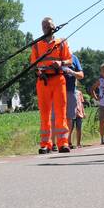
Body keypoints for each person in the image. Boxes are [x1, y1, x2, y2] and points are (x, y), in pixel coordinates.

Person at [30, 17, 72, 154]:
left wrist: (61, 63)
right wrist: (38, 72)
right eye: (44, 26)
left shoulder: (62, 42)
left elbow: (69, 60)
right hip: (43, 81)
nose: (46, 28)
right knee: (44, 113)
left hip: (58, 79)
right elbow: (33, 64)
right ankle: (45, 144)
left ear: (54, 26)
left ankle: (63, 143)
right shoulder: (36, 44)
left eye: (48, 25)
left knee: (61, 112)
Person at [57, 52, 84, 150]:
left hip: (70, 91)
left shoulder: (74, 58)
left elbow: (81, 75)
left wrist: (71, 72)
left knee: (69, 117)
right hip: (57, 91)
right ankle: (57, 142)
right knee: (57, 117)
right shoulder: (55, 56)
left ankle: (67, 142)